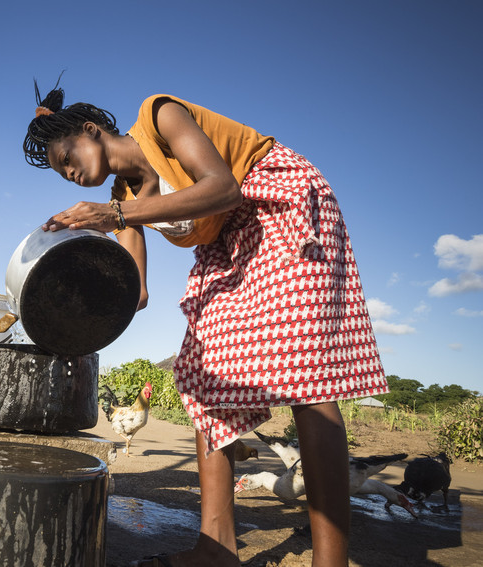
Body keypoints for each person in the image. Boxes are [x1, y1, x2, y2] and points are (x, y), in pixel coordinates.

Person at [23, 79, 388, 567]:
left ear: (91, 130)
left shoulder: (159, 115)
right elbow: (137, 292)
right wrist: (67, 307)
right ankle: (216, 548)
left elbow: (222, 187)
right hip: (228, 244)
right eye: (61, 173)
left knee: (307, 381)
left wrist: (114, 214)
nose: (68, 173)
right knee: (201, 376)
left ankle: (331, 560)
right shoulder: (125, 193)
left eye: (66, 156)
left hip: (281, 204)